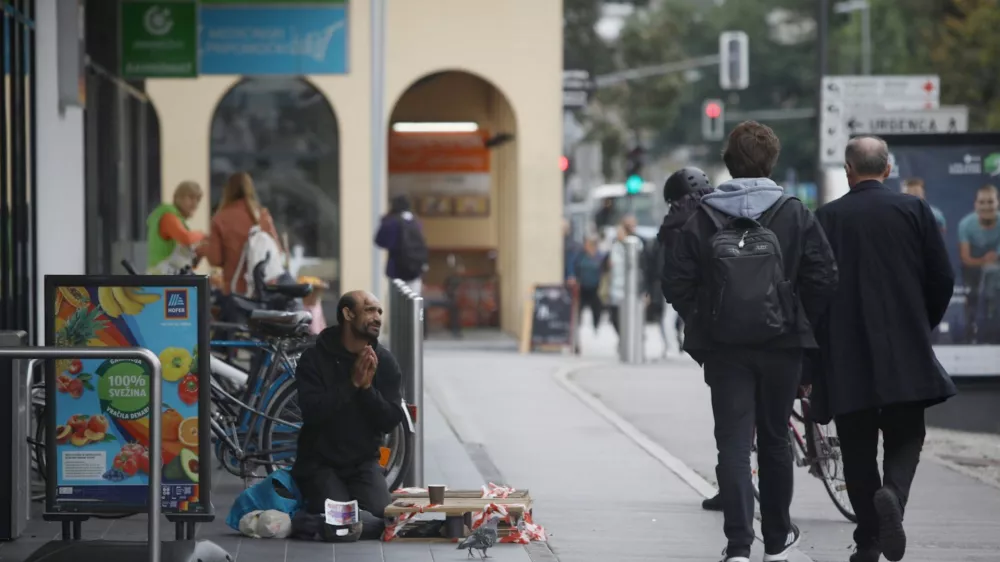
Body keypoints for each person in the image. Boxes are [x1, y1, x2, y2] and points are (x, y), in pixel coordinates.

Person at [663, 121, 838, 562]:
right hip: (781, 346)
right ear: (771, 161)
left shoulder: (704, 216)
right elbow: (824, 276)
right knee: (776, 438)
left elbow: (675, 282)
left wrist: (705, 319)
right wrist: (798, 320)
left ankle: (739, 546)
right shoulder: (795, 213)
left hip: (725, 350)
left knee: (734, 444)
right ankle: (777, 541)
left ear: (728, 162)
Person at [811, 136, 956, 562]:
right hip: (903, 350)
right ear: (888, 169)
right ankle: (892, 492)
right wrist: (919, 322)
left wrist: (815, 354)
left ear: (848, 171)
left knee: (856, 447)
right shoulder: (914, 210)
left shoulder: (826, 218)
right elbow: (942, 277)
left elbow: (814, 289)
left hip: (846, 353)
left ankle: (868, 543)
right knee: (907, 432)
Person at [291, 290, 405, 527]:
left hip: (363, 463)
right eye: (369, 310)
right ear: (348, 313)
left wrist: (366, 390)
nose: (377, 317)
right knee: (340, 521)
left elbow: (389, 420)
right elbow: (313, 412)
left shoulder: (384, 361)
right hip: (319, 462)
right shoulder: (314, 358)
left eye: (379, 312)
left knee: (384, 518)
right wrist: (351, 383)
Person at [657, 166, 718, 503]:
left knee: (731, 423)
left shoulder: (677, 223)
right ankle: (777, 524)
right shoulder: (730, 208)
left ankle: (733, 490)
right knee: (770, 428)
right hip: (770, 325)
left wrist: (695, 319)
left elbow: (672, 282)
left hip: (718, 333)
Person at [199, 172, 285, 296]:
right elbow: (277, 251)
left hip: (236, 292)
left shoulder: (220, 218)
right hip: (265, 291)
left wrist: (206, 248)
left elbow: (215, 260)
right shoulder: (262, 215)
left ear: (227, 191)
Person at [957, 184, 1000, 343]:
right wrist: (984, 261)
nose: (986, 206)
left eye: (990, 202)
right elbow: (965, 258)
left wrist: (992, 262)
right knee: (973, 297)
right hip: (972, 269)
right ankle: (971, 333)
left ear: (998, 203)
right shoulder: (965, 224)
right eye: (982, 202)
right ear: (976, 205)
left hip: (997, 270)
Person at [146, 181, 206, 274]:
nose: (195, 203)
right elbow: (185, 238)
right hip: (161, 279)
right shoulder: (168, 216)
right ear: (178, 197)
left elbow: (183, 263)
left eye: (198, 199)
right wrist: (202, 235)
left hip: (173, 278)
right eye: (190, 197)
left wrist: (199, 255)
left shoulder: (180, 221)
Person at [375, 195, 428, 294]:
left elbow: (379, 241)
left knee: (398, 302)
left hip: (396, 269)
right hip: (415, 269)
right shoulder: (415, 221)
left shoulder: (391, 222)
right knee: (413, 301)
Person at [569, 235, 605, 331]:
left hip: (595, 287)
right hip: (582, 286)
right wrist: (572, 276)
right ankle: (577, 326)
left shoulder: (599, 256)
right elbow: (573, 265)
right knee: (579, 307)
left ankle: (596, 325)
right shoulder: (580, 255)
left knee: (597, 307)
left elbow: (604, 269)